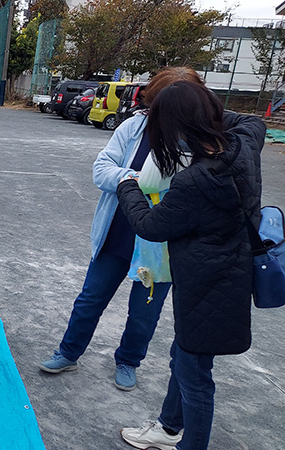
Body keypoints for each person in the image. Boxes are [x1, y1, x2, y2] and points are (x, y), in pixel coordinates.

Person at [115, 82, 264, 450]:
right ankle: (168, 428)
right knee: (185, 357)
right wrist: (203, 115)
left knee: (194, 374)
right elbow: (249, 120)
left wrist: (127, 185)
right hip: (231, 274)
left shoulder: (195, 181)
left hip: (204, 285)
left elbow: (151, 226)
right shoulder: (244, 143)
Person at [39, 67, 206, 391]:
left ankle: (129, 360)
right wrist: (134, 179)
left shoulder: (197, 140)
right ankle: (69, 352)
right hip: (119, 233)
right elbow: (102, 170)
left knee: (144, 314)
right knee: (90, 299)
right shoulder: (134, 128)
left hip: (161, 246)